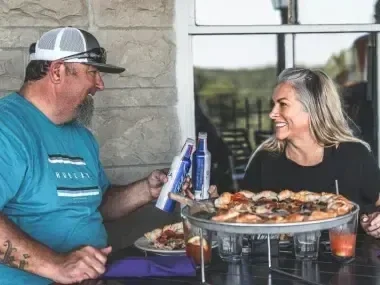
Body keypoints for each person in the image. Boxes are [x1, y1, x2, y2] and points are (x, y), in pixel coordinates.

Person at [0, 27, 197, 285]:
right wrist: (57, 266)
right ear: (57, 71)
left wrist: (146, 190)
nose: (99, 85)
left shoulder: (81, 137)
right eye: (92, 72)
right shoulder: (8, 127)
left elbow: (96, 203)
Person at [241, 67, 380, 238]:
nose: (272, 113)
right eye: (273, 104)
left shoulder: (354, 155)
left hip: (347, 261)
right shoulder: (265, 158)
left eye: (283, 104)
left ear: (312, 109)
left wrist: (375, 221)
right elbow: (241, 215)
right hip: (280, 263)